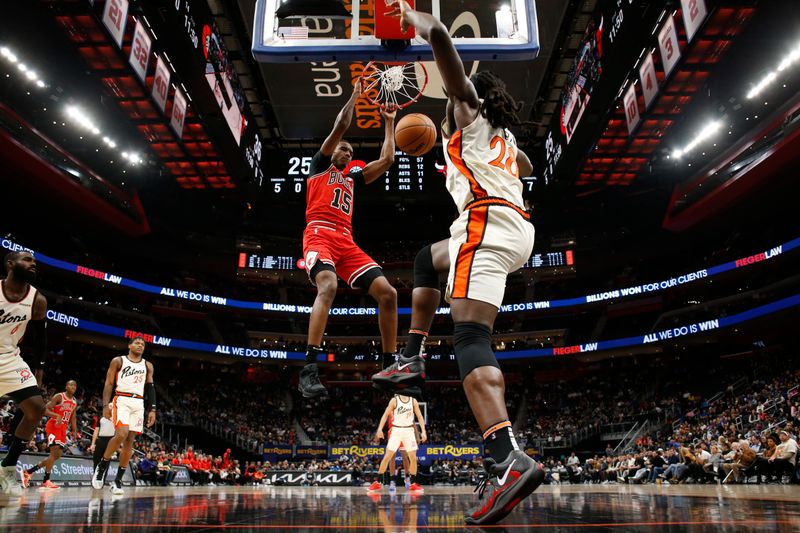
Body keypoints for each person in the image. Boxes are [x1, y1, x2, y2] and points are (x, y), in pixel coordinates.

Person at [372, 1, 543, 524]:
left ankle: (505, 457)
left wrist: (419, 23)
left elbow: (443, 37)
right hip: (510, 228)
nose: (448, 106)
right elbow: (527, 164)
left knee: (471, 337)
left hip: (486, 222)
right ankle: (412, 356)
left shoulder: (469, 115)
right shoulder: (504, 138)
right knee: (427, 259)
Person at [298, 81, 400, 398]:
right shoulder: (319, 165)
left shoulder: (353, 178)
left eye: (351, 152)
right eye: (344, 148)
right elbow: (341, 125)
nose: (347, 151)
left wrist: (389, 122)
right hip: (319, 233)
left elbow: (387, 161)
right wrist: (355, 95)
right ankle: (309, 368)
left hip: (346, 241)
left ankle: (389, 365)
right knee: (328, 285)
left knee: (389, 293)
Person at [0, 250, 49, 497]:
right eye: (27, 259)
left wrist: (38, 371)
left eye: (34, 262)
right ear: (10, 264)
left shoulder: (37, 300)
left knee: (36, 408)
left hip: (9, 358)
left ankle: (7, 468)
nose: (32, 264)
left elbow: (40, 339)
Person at [91, 336, 157, 495]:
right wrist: (105, 405)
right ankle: (103, 464)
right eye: (137, 343)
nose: (140, 345)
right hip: (121, 399)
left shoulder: (148, 365)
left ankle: (117, 481)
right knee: (122, 433)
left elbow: (150, 387)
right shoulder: (118, 361)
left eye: (143, 344)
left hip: (138, 403)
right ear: (129, 345)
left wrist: (153, 409)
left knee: (130, 440)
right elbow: (108, 383)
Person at [21, 380, 78, 489]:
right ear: (66, 386)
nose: (73, 386)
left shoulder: (74, 401)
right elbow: (44, 410)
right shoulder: (59, 396)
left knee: (57, 455)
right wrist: (56, 416)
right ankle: (46, 480)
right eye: (70, 384)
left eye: (75, 385)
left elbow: (73, 417)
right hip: (53, 426)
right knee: (54, 452)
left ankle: (28, 472)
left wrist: (74, 431)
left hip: (63, 428)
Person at [368, 394, 426, 492]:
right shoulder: (394, 400)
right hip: (396, 431)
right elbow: (385, 414)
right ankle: (378, 482)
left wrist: (423, 432)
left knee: (412, 458)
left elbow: (420, 417)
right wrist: (379, 429)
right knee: (388, 456)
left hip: (409, 431)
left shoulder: (413, 401)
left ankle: (412, 483)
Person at [88, 404, 116, 469]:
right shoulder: (101, 418)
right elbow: (96, 431)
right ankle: (95, 477)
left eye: (113, 407)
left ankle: (103, 478)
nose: (111, 408)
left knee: (106, 461)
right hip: (100, 440)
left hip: (110, 441)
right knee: (96, 460)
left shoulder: (116, 419)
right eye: (110, 406)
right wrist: (92, 444)